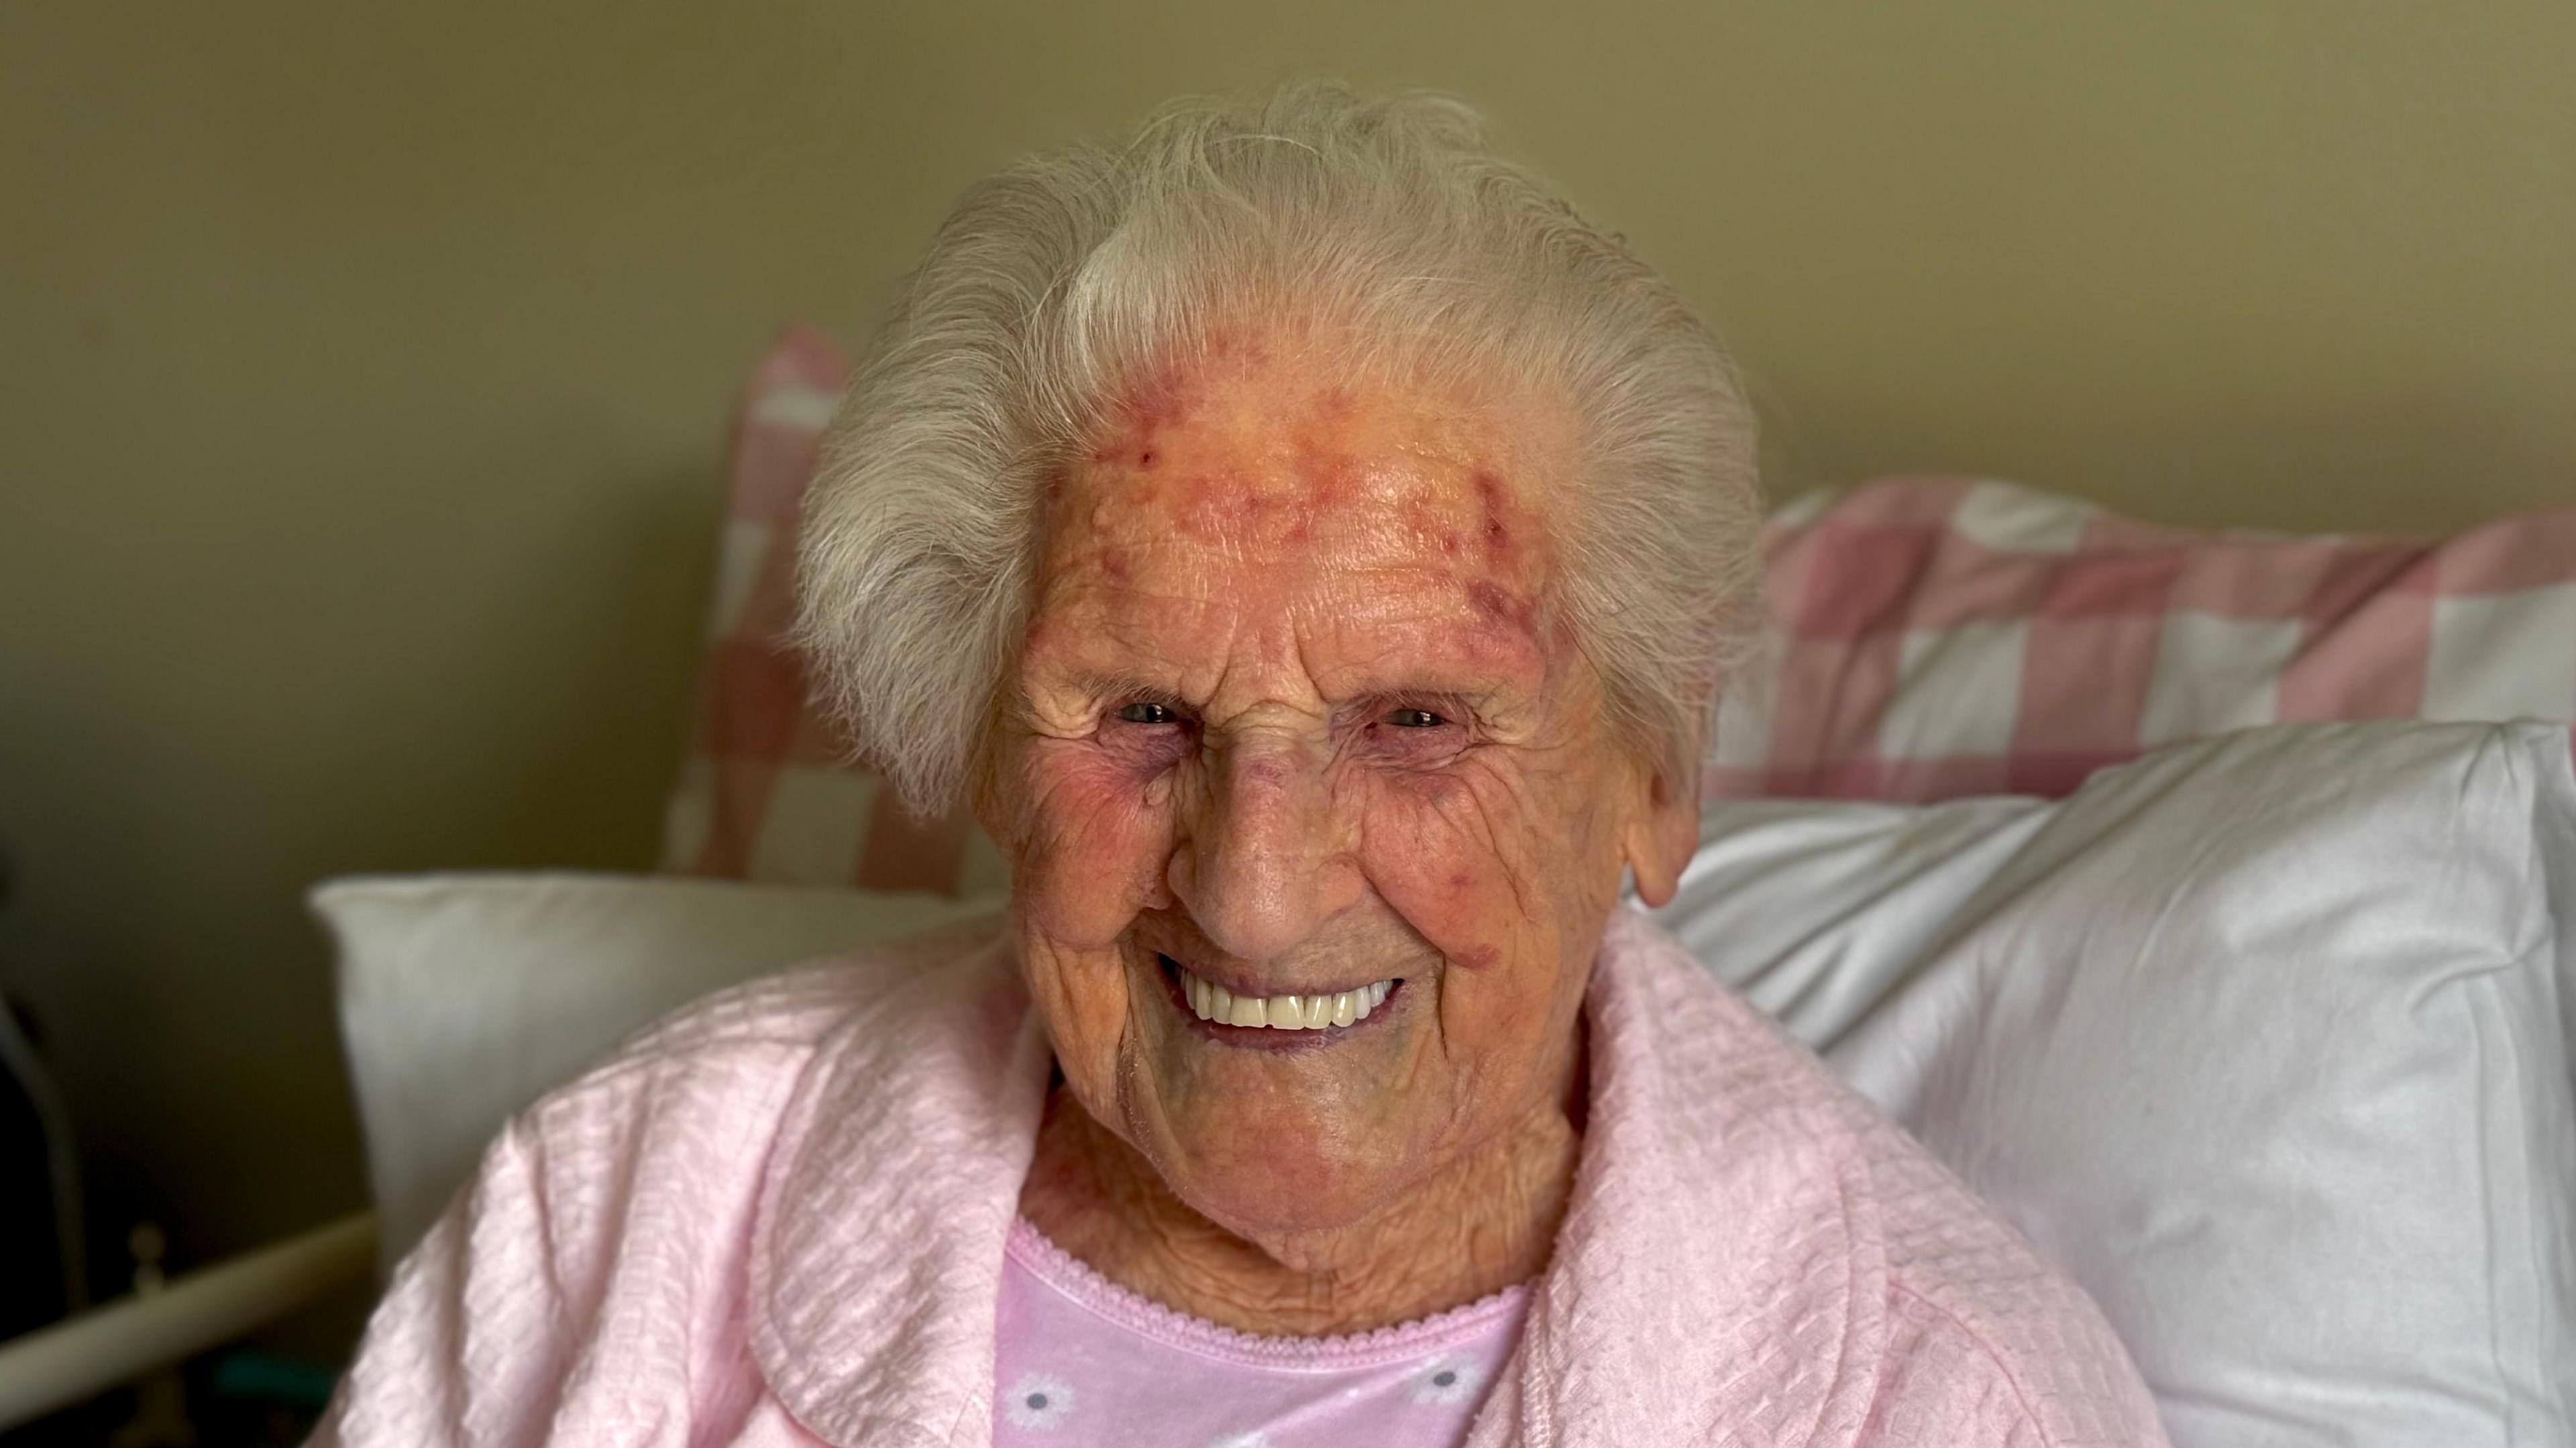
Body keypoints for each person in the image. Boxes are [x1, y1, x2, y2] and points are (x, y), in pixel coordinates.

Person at [311, 83, 2167, 1447]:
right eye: (1139, 719)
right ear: (980, 749)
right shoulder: (627, 1203)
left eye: (1418, 721)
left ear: (1653, 781)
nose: (1257, 889)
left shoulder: (1946, 1395)